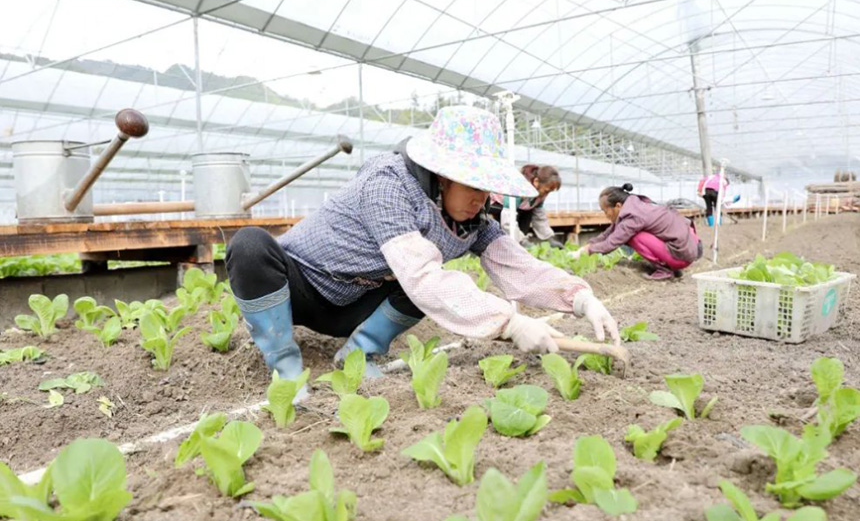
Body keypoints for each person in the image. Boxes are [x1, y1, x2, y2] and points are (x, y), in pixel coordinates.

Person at [226, 106, 619, 391]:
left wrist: (580, 298)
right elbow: (420, 274)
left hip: (353, 303)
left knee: (437, 284)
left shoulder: (472, 217)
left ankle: (360, 355)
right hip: (300, 286)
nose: (480, 199)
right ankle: (285, 369)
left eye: (485, 188)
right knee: (249, 245)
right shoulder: (388, 183)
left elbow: (515, 264)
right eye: (472, 185)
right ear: (443, 176)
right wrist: (509, 323)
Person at [570, 183, 703, 281]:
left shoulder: (634, 217)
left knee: (633, 237)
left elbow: (612, 242)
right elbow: (610, 232)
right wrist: (588, 246)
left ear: (617, 206)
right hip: (687, 248)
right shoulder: (635, 205)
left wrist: (587, 251)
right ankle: (672, 266)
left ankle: (665, 270)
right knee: (631, 234)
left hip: (682, 254)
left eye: (606, 211)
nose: (606, 214)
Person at [488, 165, 563, 248]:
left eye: (549, 192)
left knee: (529, 211)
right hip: (495, 204)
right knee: (510, 235)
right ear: (536, 181)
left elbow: (539, 217)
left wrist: (549, 238)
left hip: (518, 208)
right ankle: (513, 246)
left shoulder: (541, 194)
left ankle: (519, 246)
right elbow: (508, 219)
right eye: (546, 191)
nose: (546, 194)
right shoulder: (519, 188)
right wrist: (521, 240)